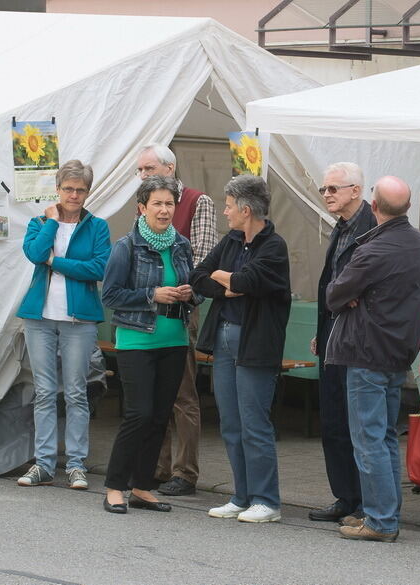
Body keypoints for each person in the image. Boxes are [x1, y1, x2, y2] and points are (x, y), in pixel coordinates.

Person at [326, 176, 420, 542]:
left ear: (374, 206)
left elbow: (335, 293)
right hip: (397, 352)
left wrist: (351, 294)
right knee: (384, 437)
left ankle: (381, 520)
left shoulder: (373, 249)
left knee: (369, 439)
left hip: (367, 351)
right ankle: (381, 513)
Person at [192, 175, 291, 524]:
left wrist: (224, 276)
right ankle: (241, 495)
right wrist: (226, 281)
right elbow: (198, 276)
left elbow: (246, 281)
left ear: (246, 210)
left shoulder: (274, 246)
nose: (225, 211)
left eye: (229, 205)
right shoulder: (232, 240)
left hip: (255, 344)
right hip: (223, 339)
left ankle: (267, 500)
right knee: (231, 423)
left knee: (254, 423)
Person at [101, 176, 200, 514]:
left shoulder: (182, 245)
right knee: (138, 414)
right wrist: (151, 295)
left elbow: (194, 288)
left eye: (169, 203)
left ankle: (142, 487)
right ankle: (115, 486)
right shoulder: (126, 246)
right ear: (142, 207)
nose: (164, 210)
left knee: (159, 417)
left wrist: (191, 293)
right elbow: (110, 295)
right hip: (136, 341)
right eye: (157, 203)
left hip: (174, 341)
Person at [16, 160, 111, 489]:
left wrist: (57, 262)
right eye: (68, 188)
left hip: (79, 318)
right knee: (43, 392)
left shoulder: (97, 226)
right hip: (39, 318)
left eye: (80, 189)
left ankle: (75, 465)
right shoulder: (39, 221)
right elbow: (33, 253)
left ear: (87, 192)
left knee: (76, 393)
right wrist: (52, 224)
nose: (74, 194)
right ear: (57, 190)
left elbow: (98, 268)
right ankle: (43, 463)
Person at [136, 144, 216, 497]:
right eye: (140, 170)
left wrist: (174, 291)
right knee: (155, 393)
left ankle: (185, 471)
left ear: (170, 168)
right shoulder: (145, 201)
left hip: (180, 308)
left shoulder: (199, 201)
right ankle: (157, 465)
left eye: (148, 168)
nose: (143, 175)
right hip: (150, 308)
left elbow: (201, 259)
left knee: (182, 394)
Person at [307, 162, 375, 523]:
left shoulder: (372, 227)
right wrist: (322, 328)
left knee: (358, 424)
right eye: (324, 190)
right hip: (333, 329)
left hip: (357, 335)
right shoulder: (342, 226)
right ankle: (344, 496)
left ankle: (366, 500)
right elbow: (329, 283)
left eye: (333, 189)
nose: (327, 195)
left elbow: (376, 281)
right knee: (332, 419)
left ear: (355, 191)